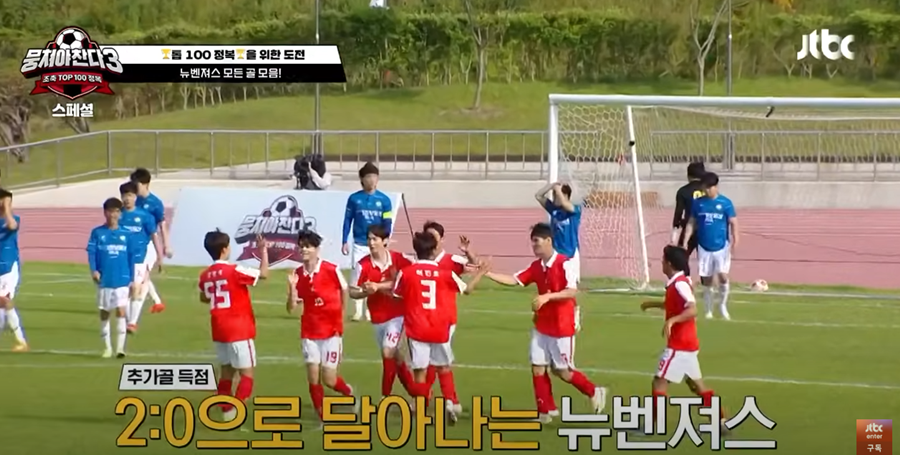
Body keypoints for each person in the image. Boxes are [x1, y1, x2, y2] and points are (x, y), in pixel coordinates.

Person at [484, 223, 606, 424]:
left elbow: (571, 291)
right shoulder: (536, 267)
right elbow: (514, 280)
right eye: (532, 242)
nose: (534, 246)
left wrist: (547, 297)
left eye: (537, 241)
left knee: (563, 371)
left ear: (548, 241)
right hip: (542, 326)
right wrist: (487, 274)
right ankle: (545, 411)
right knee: (537, 367)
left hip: (562, 326)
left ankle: (594, 391)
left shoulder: (565, 264)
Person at [391, 231, 487, 424]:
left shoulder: (406, 273)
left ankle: (420, 410)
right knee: (443, 367)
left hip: (417, 329)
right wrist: (482, 273)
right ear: (434, 249)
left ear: (416, 249)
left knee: (420, 372)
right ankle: (450, 404)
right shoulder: (446, 273)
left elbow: (397, 294)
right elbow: (467, 289)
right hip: (440, 329)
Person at [640, 246, 728, 431]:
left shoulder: (680, 284)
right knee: (696, 385)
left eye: (663, 260)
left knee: (659, 381)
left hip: (679, 345)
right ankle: (720, 422)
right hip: (689, 344)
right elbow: (676, 304)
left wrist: (672, 320)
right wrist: (652, 304)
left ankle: (653, 425)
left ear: (669, 263)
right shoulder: (679, 282)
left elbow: (692, 309)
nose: (661, 263)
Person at [199, 229, 269, 422]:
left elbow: (204, 297)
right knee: (247, 374)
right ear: (224, 249)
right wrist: (263, 251)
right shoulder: (235, 270)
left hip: (219, 328)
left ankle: (225, 409)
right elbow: (263, 274)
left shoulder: (205, 275)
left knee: (226, 372)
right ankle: (235, 411)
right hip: (239, 328)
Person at [288, 230, 357, 419]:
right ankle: (322, 414)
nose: (304, 250)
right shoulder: (297, 275)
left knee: (329, 379)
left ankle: (349, 393)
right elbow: (291, 308)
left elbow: (344, 289)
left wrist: (341, 316)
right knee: (312, 376)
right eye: (301, 246)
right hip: (309, 332)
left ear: (317, 249)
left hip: (331, 332)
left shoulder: (331, 269)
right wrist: (292, 289)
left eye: (308, 246)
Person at [349, 225, 416, 399]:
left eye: (375, 239)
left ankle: (385, 397)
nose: (371, 243)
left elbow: (410, 278)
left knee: (387, 352)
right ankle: (418, 394)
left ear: (385, 241)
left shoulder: (400, 259)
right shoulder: (362, 265)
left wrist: (378, 286)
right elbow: (352, 291)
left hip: (398, 315)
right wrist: (366, 292)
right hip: (378, 318)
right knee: (396, 359)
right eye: (369, 239)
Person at [422, 220, 477, 415]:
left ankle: (450, 400)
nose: (431, 239)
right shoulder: (420, 260)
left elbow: (474, 266)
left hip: (445, 318)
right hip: (423, 318)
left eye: (434, 236)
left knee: (438, 360)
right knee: (428, 361)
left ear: (442, 239)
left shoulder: (452, 260)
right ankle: (428, 398)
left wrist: (468, 252)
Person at [682, 172, 739, 320]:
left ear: (715, 186)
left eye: (709, 187)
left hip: (721, 246)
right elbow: (691, 222)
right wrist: (685, 240)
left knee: (723, 276)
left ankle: (722, 305)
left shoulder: (725, 203)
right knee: (707, 279)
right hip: (704, 246)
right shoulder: (698, 203)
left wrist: (736, 239)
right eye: (704, 188)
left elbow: (733, 222)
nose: (706, 190)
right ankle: (708, 310)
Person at [87, 198, 139, 358]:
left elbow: (131, 258)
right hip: (105, 279)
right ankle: (107, 348)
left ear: (120, 213)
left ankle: (120, 349)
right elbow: (92, 253)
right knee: (105, 312)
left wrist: (132, 279)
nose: (113, 215)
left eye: (116, 211)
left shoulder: (127, 234)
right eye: (110, 211)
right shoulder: (97, 233)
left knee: (121, 310)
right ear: (105, 213)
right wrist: (94, 270)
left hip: (122, 279)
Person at [342, 162, 393, 322]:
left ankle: (371, 309)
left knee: (375, 275)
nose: (372, 180)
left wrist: (385, 238)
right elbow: (347, 220)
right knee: (358, 274)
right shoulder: (354, 199)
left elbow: (387, 222)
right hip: (359, 242)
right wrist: (344, 240)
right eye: (368, 177)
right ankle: (358, 311)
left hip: (378, 244)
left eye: (374, 177)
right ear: (362, 179)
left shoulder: (384, 200)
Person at [534, 182, 583, 332]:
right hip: (555, 255)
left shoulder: (575, 210)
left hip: (570, 255)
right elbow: (538, 196)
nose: (555, 197)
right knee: (552, 285)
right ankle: (548, 314)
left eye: (557, 195)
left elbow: (566, 205)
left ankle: (575, 313)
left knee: (569, 287)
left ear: (566, 195)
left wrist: (559, 192)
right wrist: (551, 186)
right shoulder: (554, 210)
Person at [118, 182, 163, 333]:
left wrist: (160, 255)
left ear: (135, 197)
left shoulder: (145, 216)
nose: (127, 199)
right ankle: (128, 320)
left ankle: (132, 323)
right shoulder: (118, 215)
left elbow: (154, 236)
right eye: (124, 195)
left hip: (139, 258)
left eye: (130, 195)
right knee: (124, 292)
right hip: (121, 259)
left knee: (136, 288)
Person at [131, 168, 170, 314]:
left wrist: (166, 245)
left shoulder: (155, 203)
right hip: (136, 244)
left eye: (136, 184)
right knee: (140, 274)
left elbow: (162, 224)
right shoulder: (134, 200)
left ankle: (135, 311)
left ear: (145, 184)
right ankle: (157, 302)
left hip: (150, 244)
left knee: (143, 276)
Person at [0, 189, 26, 352]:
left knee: (4, 300)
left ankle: (21, 341)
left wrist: (7, 208)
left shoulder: (13, 219)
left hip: (9, 268)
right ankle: (20, 341)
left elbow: (12, 225)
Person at [671, 162, 706, 278]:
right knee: (705, 258)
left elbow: (678, 213)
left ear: (688, 175)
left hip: (688, 228)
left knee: (682, 256)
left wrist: (675, 230)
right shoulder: (707, 190)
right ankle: (706, 281)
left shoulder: (683, 191)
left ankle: (686, 278)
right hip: (705, 228)